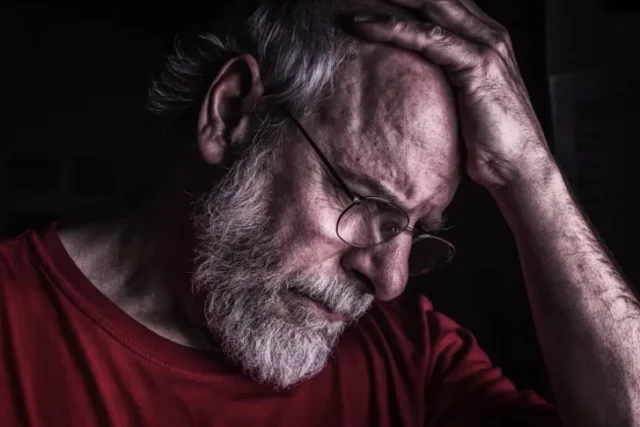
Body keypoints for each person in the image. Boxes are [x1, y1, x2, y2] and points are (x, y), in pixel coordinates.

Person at [1, 0, 638, 425]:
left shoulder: (411, 355)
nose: (387, 283)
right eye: (366, 203)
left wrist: (529, 171)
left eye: (412, 234)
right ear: (231, 113)